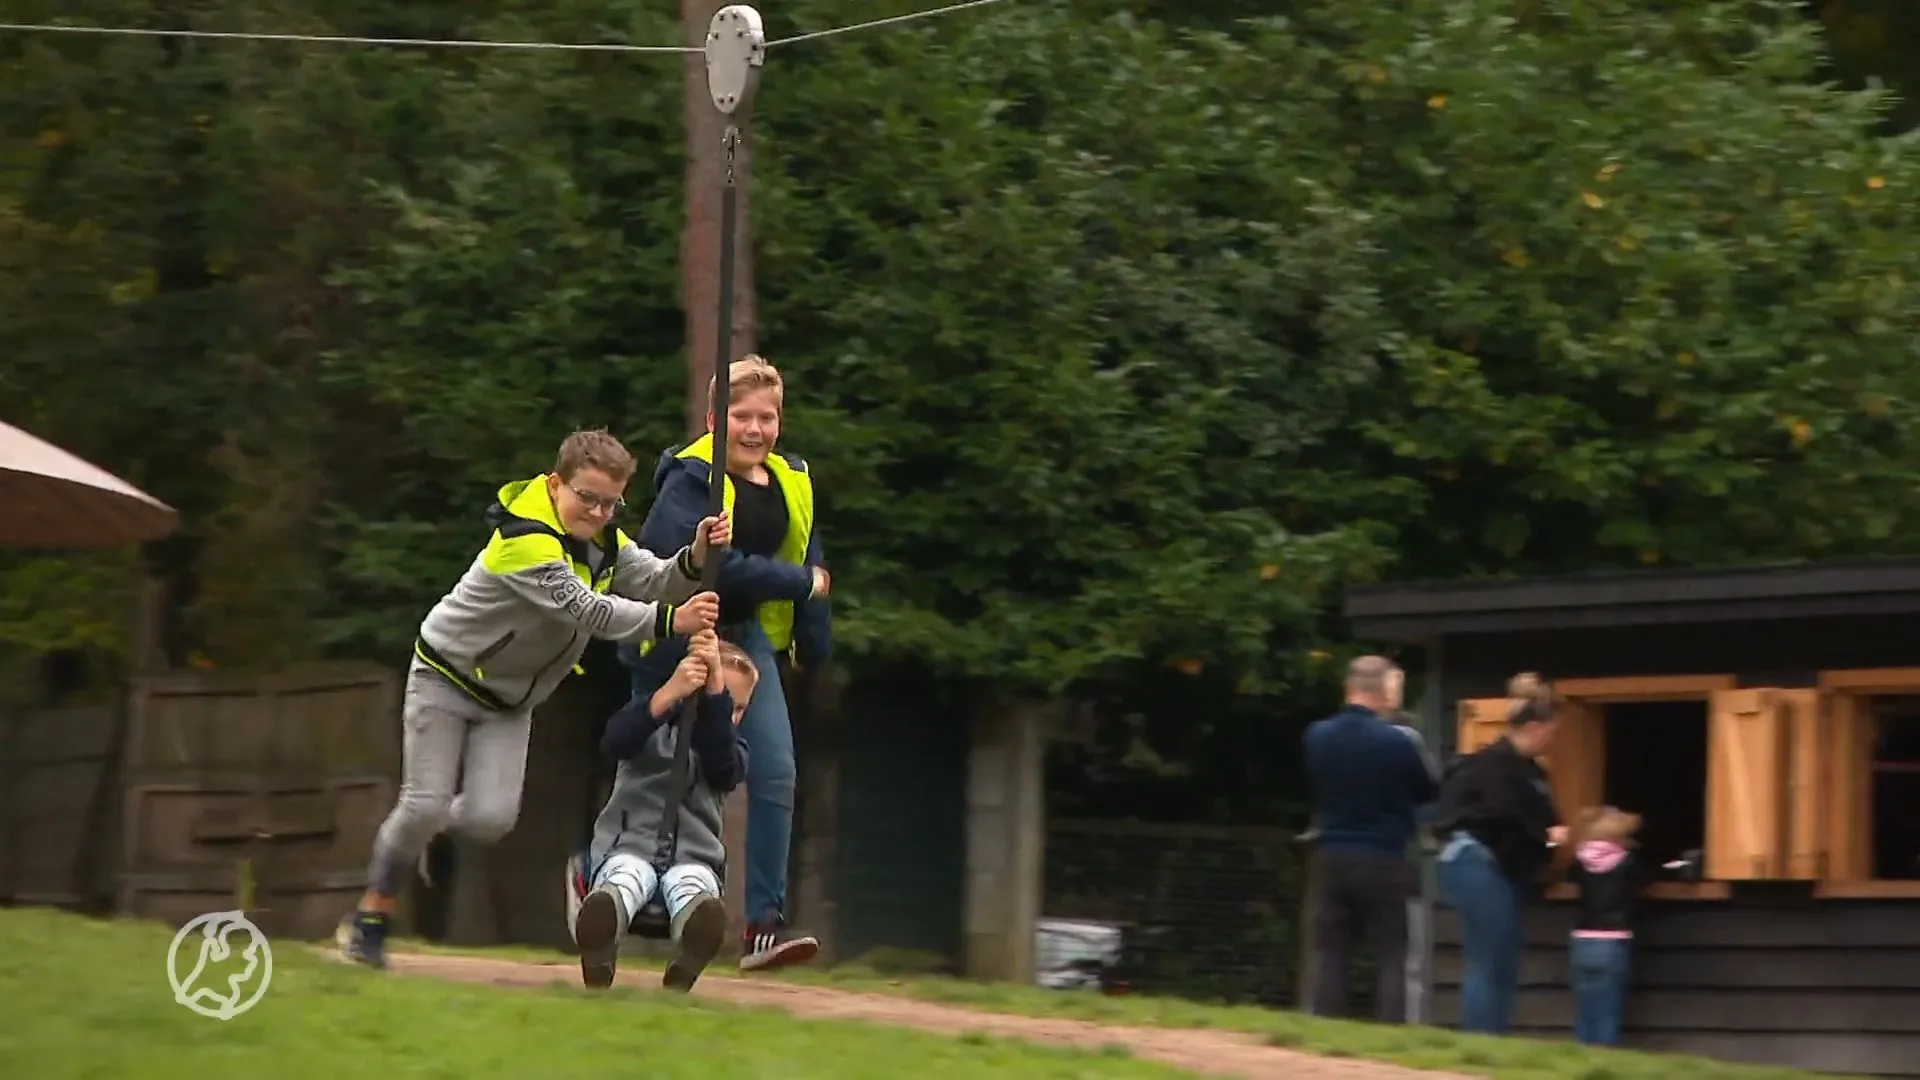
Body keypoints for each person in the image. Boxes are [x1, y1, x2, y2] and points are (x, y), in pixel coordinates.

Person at [336, 429, 728, 969]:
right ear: (554, 484)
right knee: (423, 803)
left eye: (609, 502)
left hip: (512, 701)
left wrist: (694, 557)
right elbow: (590, 611)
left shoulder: (607, 542)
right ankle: (371, 916)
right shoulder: (525, 541)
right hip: (446, 676)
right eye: (585, 496)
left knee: (489, 821)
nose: (596, 511)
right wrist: (671, 622)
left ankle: (421, 832)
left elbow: (658, 579)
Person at [627, 356, 829, 972]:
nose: (756, 430)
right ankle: (609, 879)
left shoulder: (791, 477)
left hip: (748, 641)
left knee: (775, 773)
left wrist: (813, 640)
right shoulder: (689, 481)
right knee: (664, 770)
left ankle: (762, 927)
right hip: (680, 633)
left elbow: (811, 554)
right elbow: (706, 563)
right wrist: (799, 584)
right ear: (716, 419)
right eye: (742, 417)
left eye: (767, 417)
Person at [569, 630, 754, 992]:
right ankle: (601, 936)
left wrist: (714, 698)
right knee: (626, 876)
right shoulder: (648, 727)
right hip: (629, 844)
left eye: (739, 708)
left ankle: (693, 946)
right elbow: (615, 741)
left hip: (694, 856)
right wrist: (670, 693)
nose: (730, 716)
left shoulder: (732, 752)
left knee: (693, 887)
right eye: (723, 702)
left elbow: (722, 768)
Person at [1302, 656, 1441, 1022]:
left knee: (1331, 951)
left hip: (1333, 855)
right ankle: (1391, 1031)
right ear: (1385, 691)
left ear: (1348, 687)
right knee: (1393, 953)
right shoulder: (1397, 743)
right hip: (1385, 856)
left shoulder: (1317, 736)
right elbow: (1427, 790)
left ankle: (1324, 1026)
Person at [1431, 672, 1568, 1034]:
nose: (1554, 739)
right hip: (1477, 860)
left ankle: (1495, 1041)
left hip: (1502, 869)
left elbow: (1544, 820)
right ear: (1537, 725)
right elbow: (1500, 814)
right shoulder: (1493, 763)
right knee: (1487, 958)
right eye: (1553, 730)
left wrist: (1549, 838)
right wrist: (1546, 836)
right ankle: (1481, 1040)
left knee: (1502, 960)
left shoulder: (1533, 772)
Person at [1568, 805, 1652, 1047]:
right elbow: (1646, 878)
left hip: (1582, 939)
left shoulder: (1579, 863)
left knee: (1585, 1009)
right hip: (1613, 940)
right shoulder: (1628, 864)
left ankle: (1581, 1058)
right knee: (1607, 1011)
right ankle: (1605, 1059)